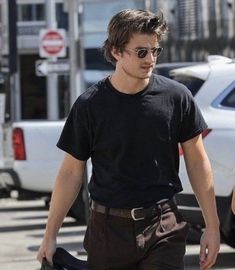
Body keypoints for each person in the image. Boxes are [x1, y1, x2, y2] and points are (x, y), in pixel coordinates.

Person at [37, 9, 220, 270]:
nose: (150, 59)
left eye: (155, 50)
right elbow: (70, 173)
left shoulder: (177, 98)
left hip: (163, 225)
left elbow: (198, 162)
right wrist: (50, 235)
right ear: (116, 51)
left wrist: (212, 228)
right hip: (108, 231)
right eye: (141, 52)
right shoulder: (90, 105)